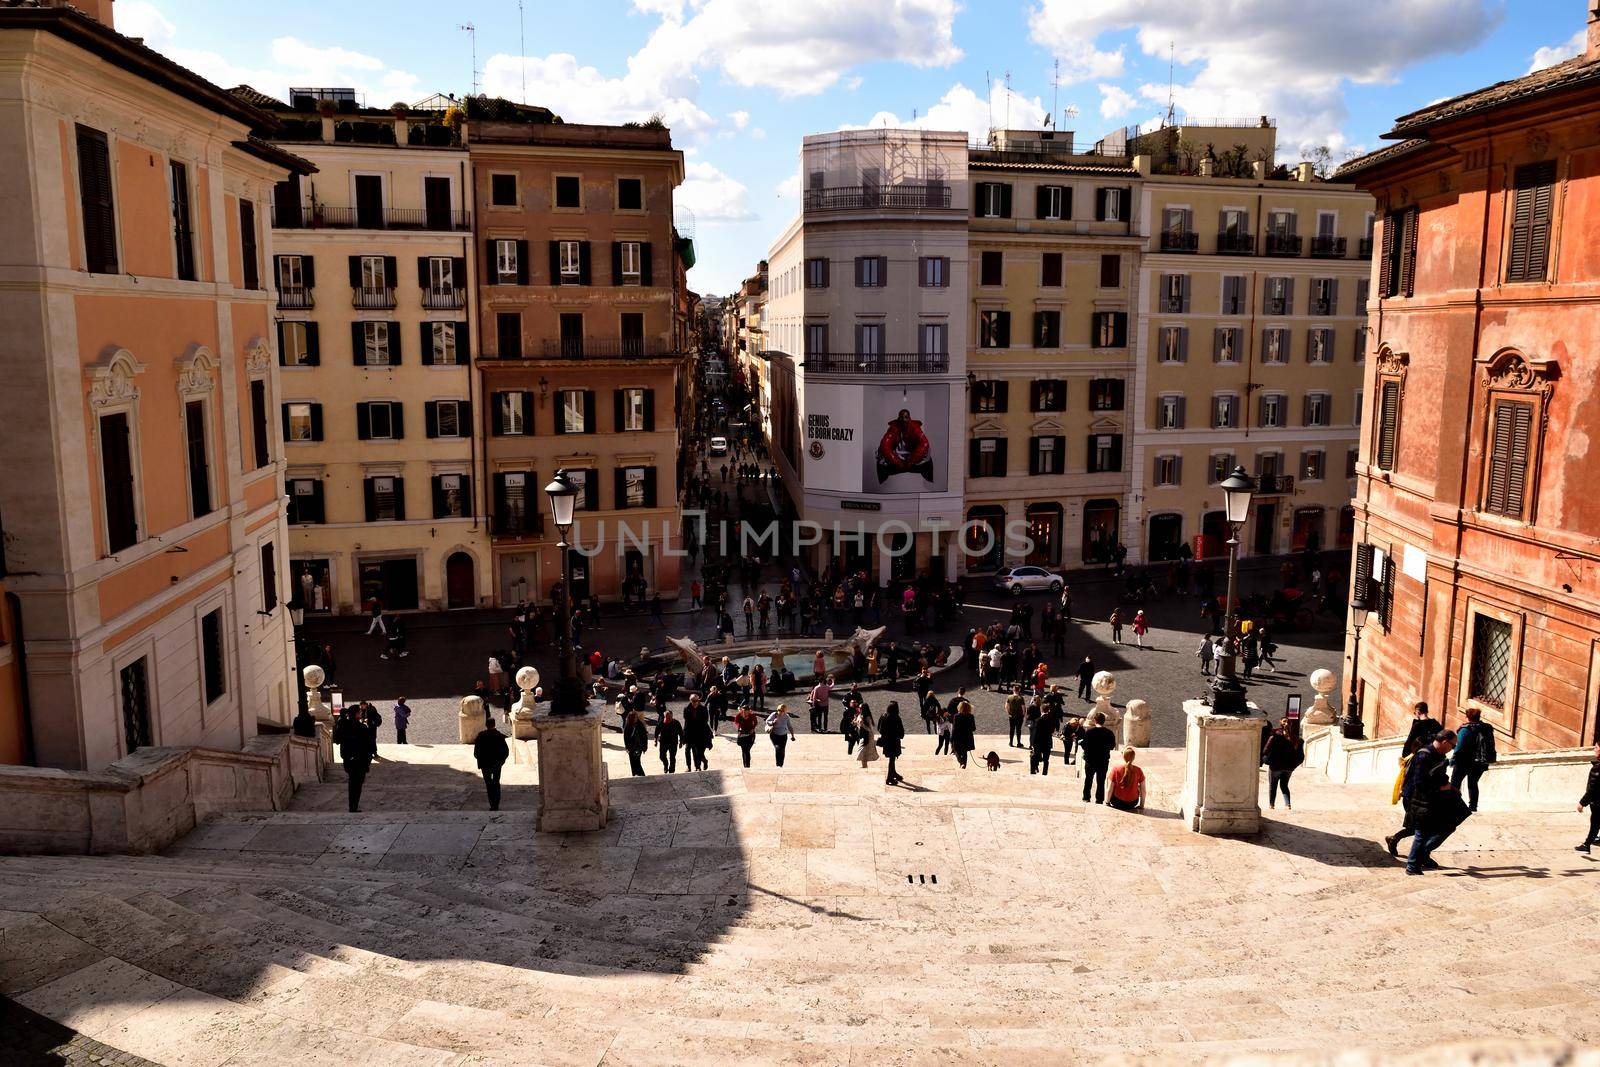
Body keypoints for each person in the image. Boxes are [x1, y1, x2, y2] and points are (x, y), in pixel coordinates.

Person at [1405, 730, 1468, 875]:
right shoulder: (1424, 755)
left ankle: (1423, 855)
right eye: (1453, 746)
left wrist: (1450, 787)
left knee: (1448, 825)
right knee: (1422, 833)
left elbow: (1438, 774)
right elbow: (1419, 782)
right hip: (1421, 800)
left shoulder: (1438, 754)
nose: (1453, 749)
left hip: (1435, 798)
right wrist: (1441, 787)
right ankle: (1413, 865)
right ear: (1445, 742)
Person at [331, 703, 381, 813]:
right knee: (357, 784)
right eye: (359, 711)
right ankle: (354, 806)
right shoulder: (361, 727)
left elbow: (337, 740)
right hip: (360, 760)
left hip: (348, 759)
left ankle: (352, 806)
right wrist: (369, 758)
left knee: (352, 782)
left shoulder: (344, 725)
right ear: (357, 714)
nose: (361, 712)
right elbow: (369, 744)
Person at [1452, 707, 1497, 812]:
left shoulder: (1465, 730)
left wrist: (1453, 759)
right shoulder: (1487, 728)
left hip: (1463, 761)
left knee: (1455, 783)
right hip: (1480, 762)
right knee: (1473, 783)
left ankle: (1454, 804)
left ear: (1467, 717)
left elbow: (1459, 747)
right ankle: (1473, 806)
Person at [1261, 720, 1304, 809]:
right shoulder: (1297, 739)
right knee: (1284, 785)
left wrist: (1266, 759)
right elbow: (1301, 756)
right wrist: (1294, 765)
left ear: (1280, 725)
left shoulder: (1274, 737)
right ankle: (1287, 804)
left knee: (1273, 786)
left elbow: (1265, 750)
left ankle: (1271, 805)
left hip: (1275, 765)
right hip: (1289, 767)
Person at [473, 716, 510, 811]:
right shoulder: (499, 736)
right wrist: (501, 762)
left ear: (486, 725)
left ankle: (492, 804)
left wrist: (481, 761)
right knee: (496, 783)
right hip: (497, 764)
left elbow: (476, 753)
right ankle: (496, 804)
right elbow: (505, 752)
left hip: (485, 765)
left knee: (489, 784)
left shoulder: (481, 736)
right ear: (494, 725)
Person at [1079, 712, 1117, 804]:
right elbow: (1112, 746)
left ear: (1095, 720)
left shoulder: (1089, 732)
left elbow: (1084, 746)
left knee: (1088, 779)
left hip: (1090, 760)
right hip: (1103, 761)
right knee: (1101, 781)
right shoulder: (1109, 733)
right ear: (1104, 721)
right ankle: (1099, 799)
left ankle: (1086, 797)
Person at [1576, 743, 1600, 853]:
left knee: (1595, 823)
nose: (1594, 749)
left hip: (1597, 803)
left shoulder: (1597, 768)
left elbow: (1592, 789)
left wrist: (1582, 803)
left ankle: (1586, 844)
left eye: (1596, 747)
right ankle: (1588, 843)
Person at [1106, 747, 1145, 811]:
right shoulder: (1138, 770)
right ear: (1133, 758)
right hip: (1133, 803)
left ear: (1123, 757)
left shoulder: (1116, 769)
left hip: (1117, 802)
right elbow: (1143, 790)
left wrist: (1107, 803)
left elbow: (1110, 788)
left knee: (1110, 780)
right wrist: (1141, 806)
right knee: (1137, 786)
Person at [1030, 701, 1061, 776]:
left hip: (1039, 742)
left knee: (1035, 757)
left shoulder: (1038, 720)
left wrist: (1032, 744)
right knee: (1046, 760)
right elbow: (1053, 730)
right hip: (1047, 741)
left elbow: (1035, 733)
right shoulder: (1052, 719)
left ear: (1041, 710)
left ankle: (1033, 770)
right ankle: (1044, 773)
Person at [879, 701, 905, 786]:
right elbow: (901, 731)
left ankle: (893, 773)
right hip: (894, 741)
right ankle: (889, 778)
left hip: (886, 741)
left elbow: (879, 729)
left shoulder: (883, 716)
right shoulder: (896, 717)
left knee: (892, 758)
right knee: (892, 759)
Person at [683, 695, 713, 772]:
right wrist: (684, 735)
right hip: (690, 733)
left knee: (697, 752)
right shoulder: (686, 709)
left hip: (700, 734)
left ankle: (698, 766)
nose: (695, 703)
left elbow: (705, 721)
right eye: (693, 701)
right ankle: (688, 766)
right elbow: (686, 723)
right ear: (690, 700)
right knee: (687, 750)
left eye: (696, 701)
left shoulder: (703, 709)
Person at [950, 699, 977, 769]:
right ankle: (964, 765)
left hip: (958, 737)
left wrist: (951, 738)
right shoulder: (971, 716)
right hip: (967, 737)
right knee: (964, 752)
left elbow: (954, 729)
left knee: (956, 751)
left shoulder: (956, 716)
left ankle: (961, 763)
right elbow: (973, 728)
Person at [655, 709, 683, 773]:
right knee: (662, 756)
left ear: (672, 716)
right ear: (664, 717)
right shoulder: (661, 722)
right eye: (667, 718)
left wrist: (681, 742)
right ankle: (666, 764)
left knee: (672, 757)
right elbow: (657, 732)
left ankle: (671, 770)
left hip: (673, 742)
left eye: (670, 717)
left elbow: (681, 733)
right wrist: (655, 740)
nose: (668, 719)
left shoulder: (676, 723)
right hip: (663, 742)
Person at [624, 710, 649, 777]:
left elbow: (644, 736)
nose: (636, 719)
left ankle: (642, 775)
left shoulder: (640, 724)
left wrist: (645, 746)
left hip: (639, 747)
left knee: (637, 761)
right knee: (632, 762)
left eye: (636, 717)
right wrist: (627, 747)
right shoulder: (628, 726)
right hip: (631, 747)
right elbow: (626, 737)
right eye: (634, 718)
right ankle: (635, 774)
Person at [733, 704, 759, 768]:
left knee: (747, 750)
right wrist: (739, 726)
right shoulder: (739, 715)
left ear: (749, 711)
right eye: (743, 711)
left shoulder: (752, 715)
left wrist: (753, 728)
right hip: (742, 733)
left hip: (750, 734)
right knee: (744, 750)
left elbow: (755, 722)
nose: (744, 713)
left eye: (746, 711)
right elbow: (736, 721)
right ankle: (746, 765)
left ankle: (747, 764)